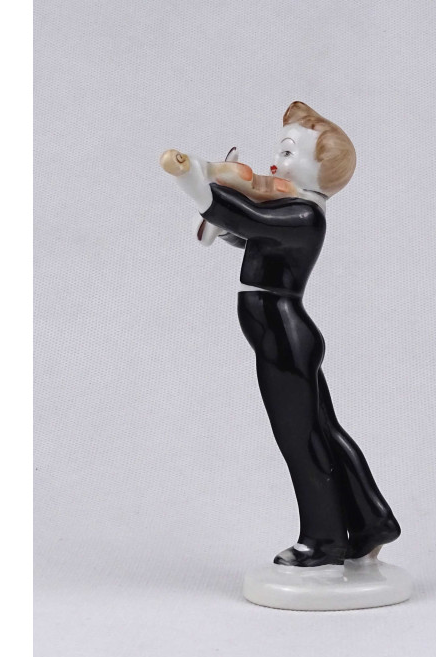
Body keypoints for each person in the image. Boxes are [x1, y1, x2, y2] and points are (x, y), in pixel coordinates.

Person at [163, 102, 400, 567]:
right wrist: (218, 217)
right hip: (283, 335)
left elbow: (251, 221)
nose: (275, 163)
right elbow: (246, 234)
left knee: (300, 441)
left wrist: (194, 180)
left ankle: (324, 540)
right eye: (279, 151)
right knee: (322, 430)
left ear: (320, 169)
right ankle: (373, 522)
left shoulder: (305, 217)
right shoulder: (290, 209)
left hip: (283, 336)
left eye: (289, 153)